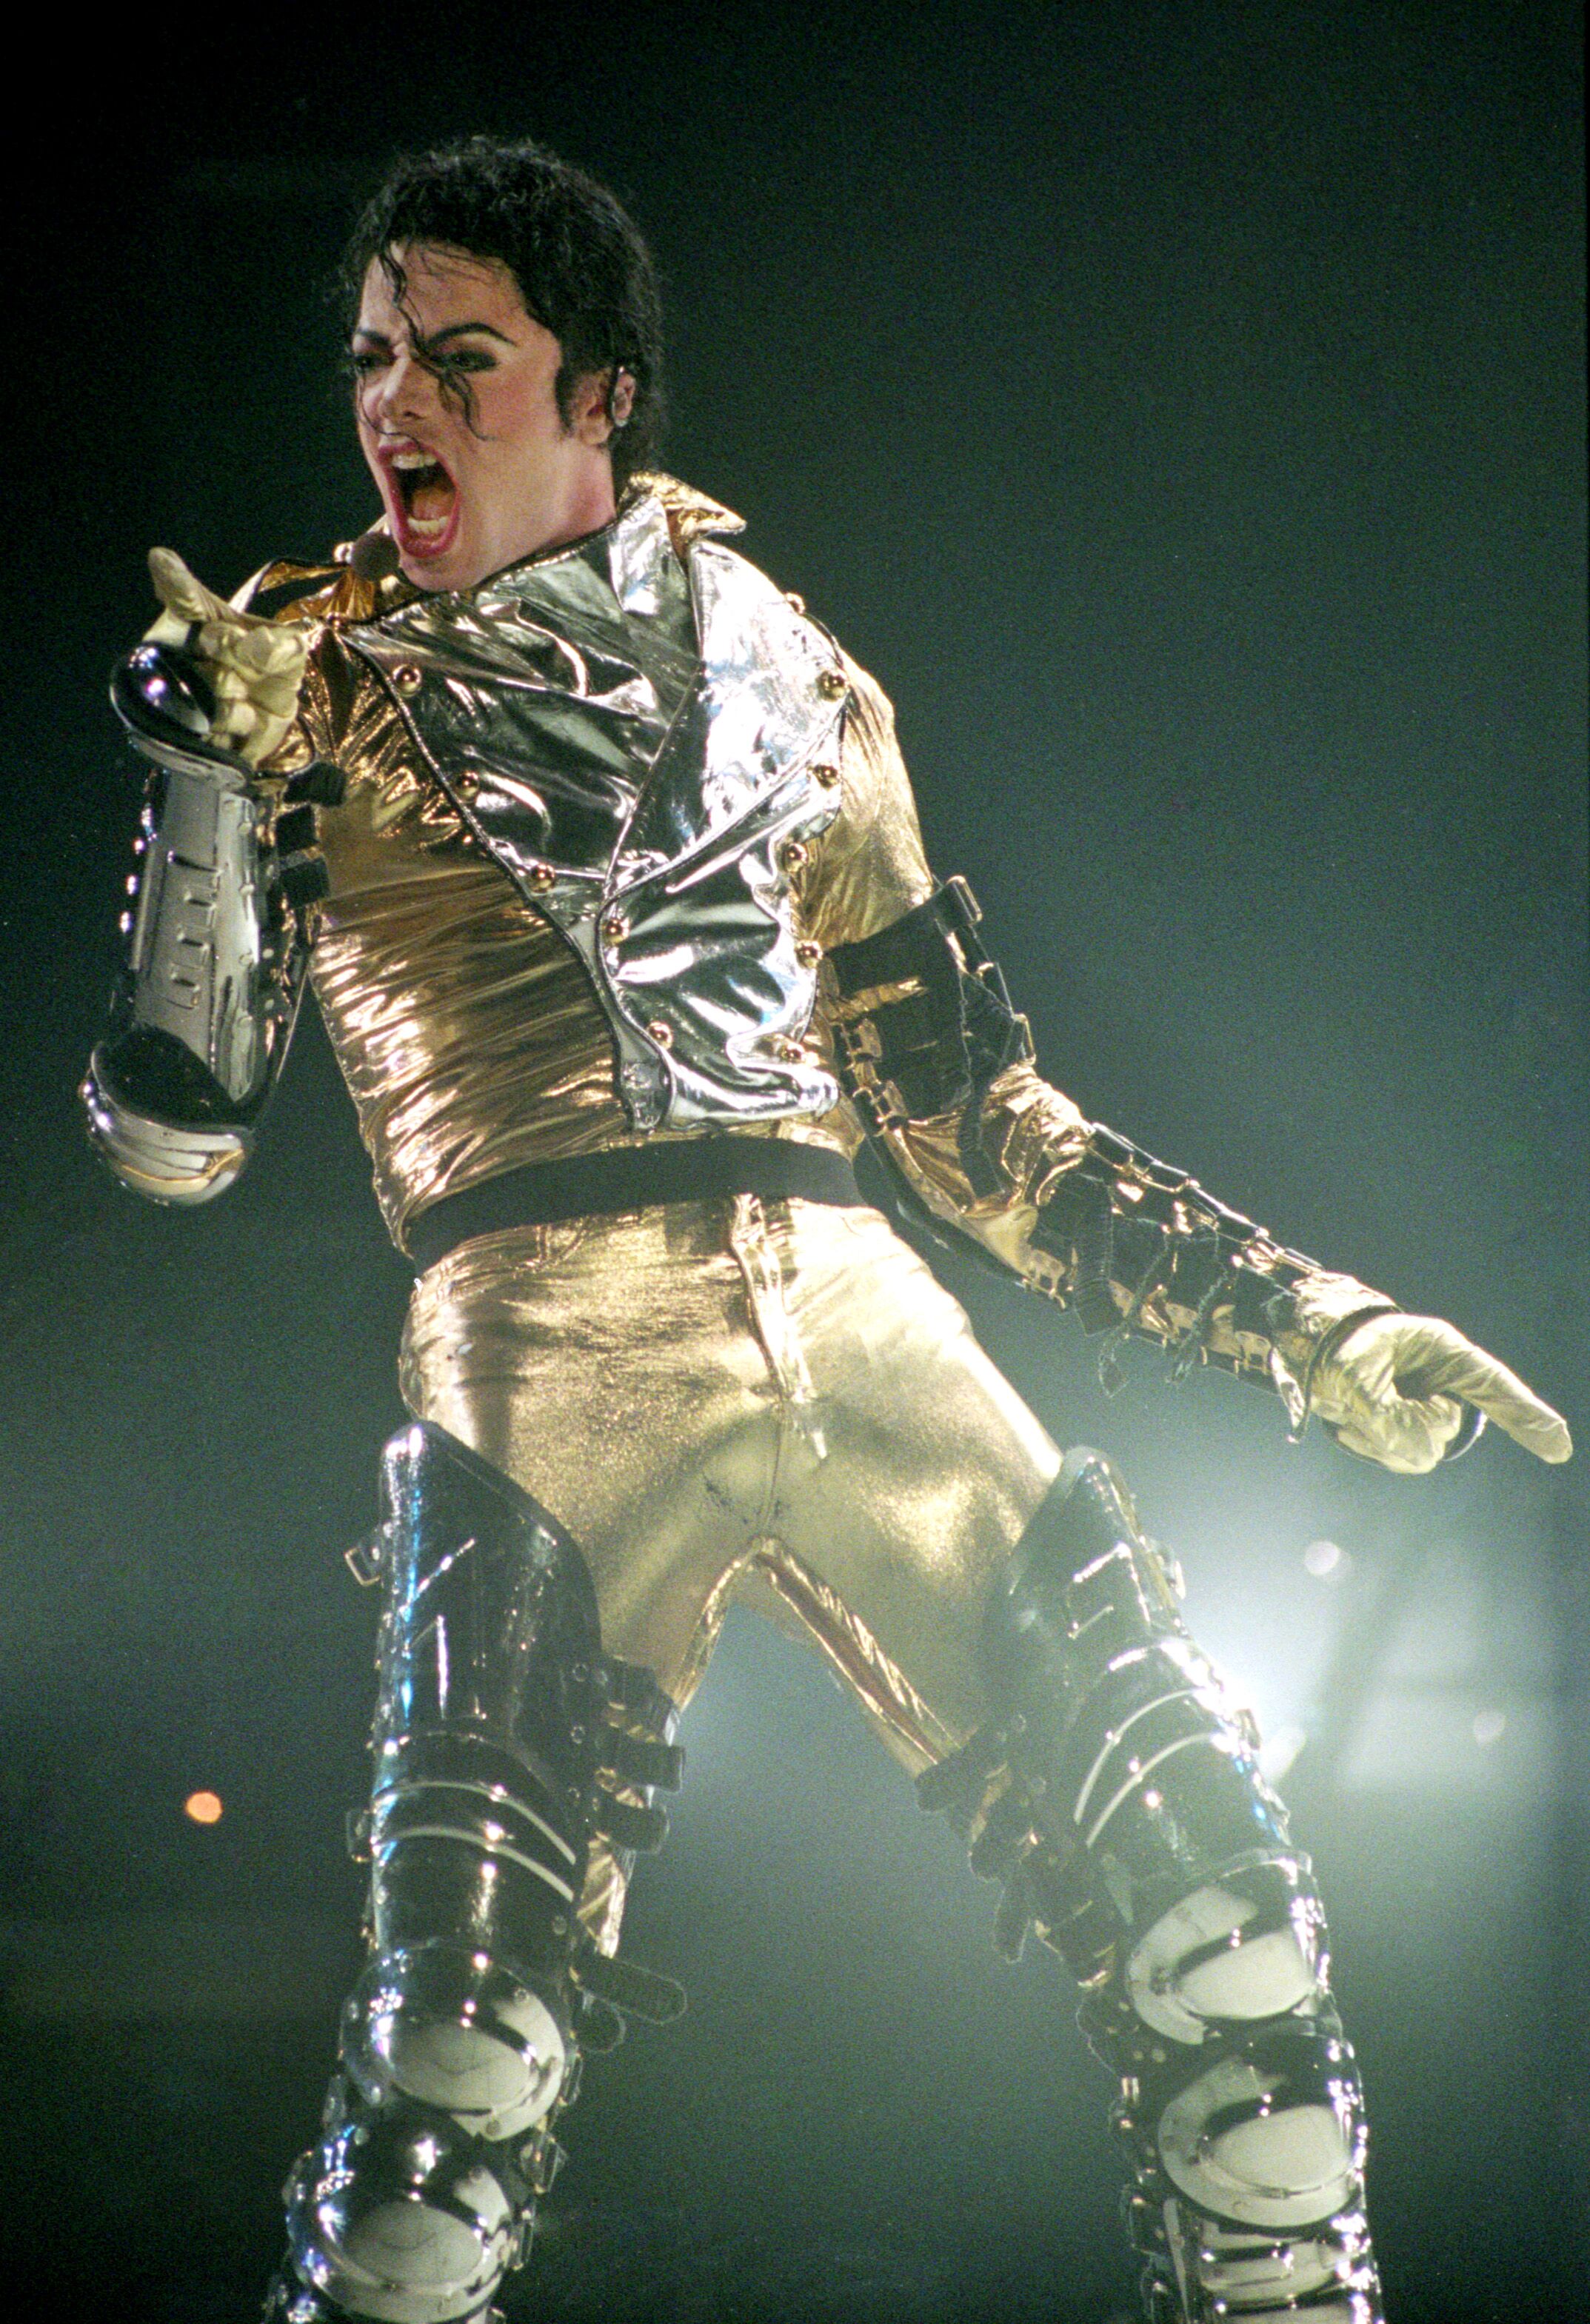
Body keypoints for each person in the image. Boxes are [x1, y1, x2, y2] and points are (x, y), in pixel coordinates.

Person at [82, 136, 1570, 2324]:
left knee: (1238, 1971)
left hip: (856, 1307)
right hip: (542, 1328)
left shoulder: (796, 672)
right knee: (444, 2101)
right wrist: (207, 784)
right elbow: (173, 1140)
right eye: (376, 355)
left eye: (459, 357)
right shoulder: (292, 670)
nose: (395, 396)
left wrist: (1314, 1321)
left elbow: (978, 1124)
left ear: (597, 392)